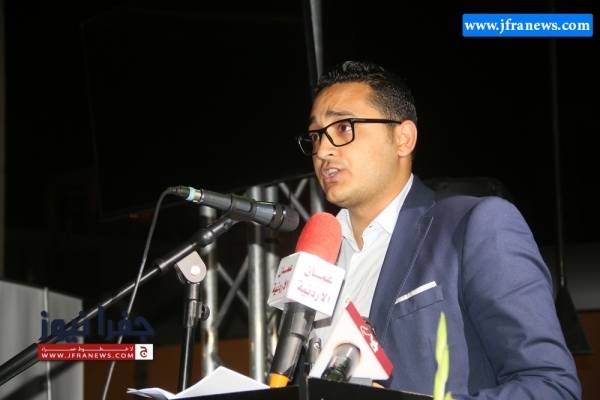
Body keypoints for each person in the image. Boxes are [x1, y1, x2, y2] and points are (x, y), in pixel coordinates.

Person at [298, 61, 581, 399]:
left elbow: (551, 386)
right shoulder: (316, 259)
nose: (323, 150)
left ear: (403, 138)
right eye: (316, 135)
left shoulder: (474, 226)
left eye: (344, 127)